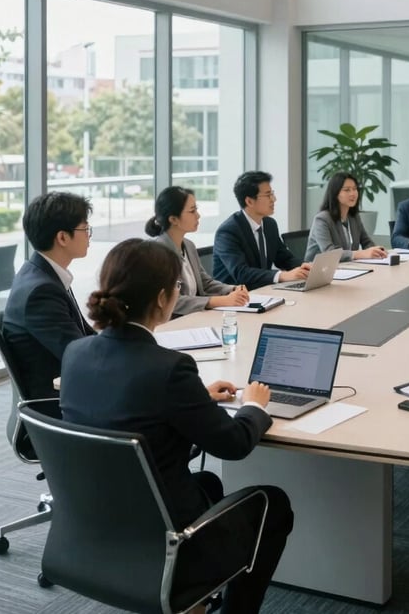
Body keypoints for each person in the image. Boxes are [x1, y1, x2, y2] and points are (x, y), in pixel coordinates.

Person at [59, 239, 293, 614]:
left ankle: (196, 603)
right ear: (165, 298)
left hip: (98, 526)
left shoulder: (76, 353)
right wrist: (254, 406)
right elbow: (233, 445)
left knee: (210, 485)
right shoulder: (169, 368)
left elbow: (128, 399)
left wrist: (195, 396)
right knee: (273, 503)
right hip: (165, 536)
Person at [3, 192, 95, 401]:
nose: (89, 235)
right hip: (56, 402)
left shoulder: (43, 272)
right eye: (85, 229)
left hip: (69, 388)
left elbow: (84, 337)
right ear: (62, 237)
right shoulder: (41, 291)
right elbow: (81, 357)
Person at [146, 185, 251, 315]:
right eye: (192, 211)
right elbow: (171, 301)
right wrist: (219, 301)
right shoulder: (157, 252)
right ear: (173, 219)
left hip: (194, 318)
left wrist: (232, 289)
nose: (198, 215)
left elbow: (205, 283)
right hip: (171, 323)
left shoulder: (189, 246)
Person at [213, 171, 311, 289]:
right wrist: (282, 276)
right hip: (234, 298)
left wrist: (305, 268)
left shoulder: (270, 224)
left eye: (272, 194)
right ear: (249, 201)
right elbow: (241, 273)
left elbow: (284, 259)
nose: (273, 199)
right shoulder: (228, 231)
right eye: (268, 195)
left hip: (263, 292)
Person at [305, 171, 387, 262]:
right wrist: (360, 254)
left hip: (345, 267)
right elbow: (329, 252)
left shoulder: (353, 217)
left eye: (355, 189)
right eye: (347, 190)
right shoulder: (322, 219)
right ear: (335, 193)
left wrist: (376, 251)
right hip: (319, 271)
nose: (353, 193)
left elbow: (366, 241)